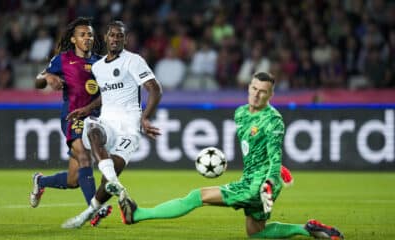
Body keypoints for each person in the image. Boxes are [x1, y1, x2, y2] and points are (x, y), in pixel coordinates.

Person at [106, 72, 344, 239]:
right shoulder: (241, 114)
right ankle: (307, 229)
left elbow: (275, 153)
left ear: (270, 95)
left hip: (259, 186)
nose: (257, 95)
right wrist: (277, 173)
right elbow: (258, 152)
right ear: (248, 87)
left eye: (263, 92)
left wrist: (271, 180)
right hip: (253, 179)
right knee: (257, 233)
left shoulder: (273, 121)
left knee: (196, 196)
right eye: (254, 89)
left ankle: (136, 215)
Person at [61, 20, 162, 229]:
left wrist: (145, 117)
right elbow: (105, 95)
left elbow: (155, 89)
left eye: (120, 36)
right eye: (112, 35)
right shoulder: (98, 67)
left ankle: (88, 212)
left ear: (125, 39)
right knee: (92, 127)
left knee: (108, 180)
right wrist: (87, 109)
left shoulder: (133, 61)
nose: (116, 39)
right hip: (107, 122)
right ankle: (116, 185)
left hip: (129, 127)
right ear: (105, 38)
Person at [30, 17, 111, 226]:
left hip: (95, 120)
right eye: (82, 34)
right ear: (74, 39)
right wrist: (47, 77)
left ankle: (41, 181)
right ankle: (96, 209)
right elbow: (38, 82)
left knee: (73, 180)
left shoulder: (102, 63)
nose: (87, 38)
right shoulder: (62, 60)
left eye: (90, 34)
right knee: (85, 158)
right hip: (73, 118)